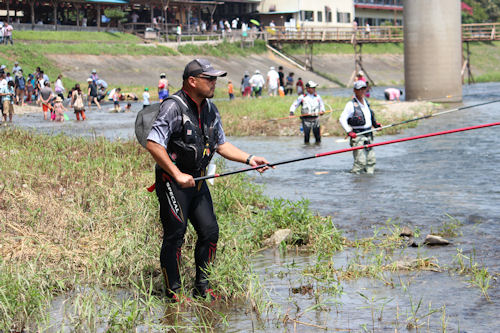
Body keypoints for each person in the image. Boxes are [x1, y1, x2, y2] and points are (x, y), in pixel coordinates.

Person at [145, 58, 272, 301]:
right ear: (192, 81)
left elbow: (221, 145)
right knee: (176, 235)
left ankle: (202, 287)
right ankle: (174, 292)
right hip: (173, 182)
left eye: (216, 79)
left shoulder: (211, 109)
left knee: (210, 232)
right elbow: (153, 143)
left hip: (199, 182)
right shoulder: (173, 107)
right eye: (210, 79)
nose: (215, 83)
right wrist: (177, 174)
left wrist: (250, 158)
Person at [339, 80, 382, 174]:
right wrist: (349, 131)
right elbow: (342, 119)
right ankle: (356, 181)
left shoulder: (366, 102)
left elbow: (369, 116)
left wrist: (376, 125)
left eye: (364, 89)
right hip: (358, 136)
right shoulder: (350, 105)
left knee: (371, 160)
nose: (362, 91)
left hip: (369, 134)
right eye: (360, 89)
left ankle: (369, 181)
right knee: (360, 162)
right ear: (355, 90)